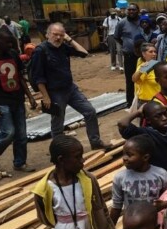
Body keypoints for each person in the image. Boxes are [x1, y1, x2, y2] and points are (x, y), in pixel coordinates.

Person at [29, 23, 111, 151]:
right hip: (54, 93)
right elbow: (38, 77)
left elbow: (84, 53)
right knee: (57, 124)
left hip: (70, 89)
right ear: (47, 34)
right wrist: (45, 96)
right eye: (55, 34)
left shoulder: (63, 47)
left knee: (90, 111)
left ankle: (95, 142)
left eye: (61, 35)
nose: (58, 38)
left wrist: (69, 39)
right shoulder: (40, 51)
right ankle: (59, 151)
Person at [0, 30, 36, 172]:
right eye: (7, 42)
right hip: (1, 102)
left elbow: (20, 78)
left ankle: (19, 162)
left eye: (12, 42)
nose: (10, 45)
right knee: (8, 133)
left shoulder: (13, 55)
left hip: (17, 100)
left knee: (21, 135)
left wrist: (30, 96)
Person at [110, 135, 167, 224]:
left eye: (130, 155)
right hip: (131, 224)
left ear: (145, 157)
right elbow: (116, 206)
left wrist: (164, 204)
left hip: (156, 224)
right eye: (123, 154)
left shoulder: (161, 174)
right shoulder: (120, 177)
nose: (124, 158)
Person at [118, 101, 167, 175]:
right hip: (156, 176)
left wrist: (164, 107)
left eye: (165, 114)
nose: (164, 118)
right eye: (158, 116)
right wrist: (138, 112)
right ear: (148, 120)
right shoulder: (145, 134)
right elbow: (122, 123)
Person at [114, 4, 143, 106]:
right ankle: (130, 102)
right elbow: (116, 37)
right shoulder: (122, 23)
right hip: (130, 56)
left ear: (138, 11)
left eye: (133, 10)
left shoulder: (143, 21)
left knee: (144, 77)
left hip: (143, 57)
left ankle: (143, 100)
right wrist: (126, 45)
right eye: (129, 10)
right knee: (130, 79)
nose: (131, 12)